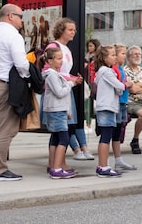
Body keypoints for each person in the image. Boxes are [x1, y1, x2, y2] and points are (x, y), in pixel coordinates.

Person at [0, 4, 30, 181]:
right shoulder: (13, 36)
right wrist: (29, 75)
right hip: (3, 86)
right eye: (20, 16)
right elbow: (21, 64)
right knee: (6, 129)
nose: (22, 20)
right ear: (10, 16)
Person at [45, 18, 93, 162]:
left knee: (61, 131)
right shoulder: (53, 46)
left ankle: (57, 163)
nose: (74, 32)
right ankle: (57, 164)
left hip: (65, 88)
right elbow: (50, 70)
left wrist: (73, 78)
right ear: (61, 30)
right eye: (70, 30)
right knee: (60, 132)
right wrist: (71, 80)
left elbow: (63, 71)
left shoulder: (66, 48)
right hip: (58, 92)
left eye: (74, 29)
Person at [41, 47, 79, 179]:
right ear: (50, 61)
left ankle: (53, 165)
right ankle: (57, 168)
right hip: (56, 110)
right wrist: (70, 84)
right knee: (64, 138)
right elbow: (60, 92)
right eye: (58, 58)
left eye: (62, 58)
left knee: (56, 138)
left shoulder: (53, 74)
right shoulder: (52, 75)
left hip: (58, 109)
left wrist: (67, 110)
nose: (61, 61)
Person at [93, 45, 126, 177]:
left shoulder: (106, 71)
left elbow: (117, 88)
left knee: (107, 136)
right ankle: (103, 166)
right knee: (105, 137)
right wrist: (126, 85)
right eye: (112, 55)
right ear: (104, 57)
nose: (114, 57)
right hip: (106, 107)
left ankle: (104, 165)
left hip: (109, 106)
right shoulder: (106, 71)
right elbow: (119, 86)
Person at [111, 43, 137, 170]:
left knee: (119, 131)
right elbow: (118, 85)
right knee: (115, 131)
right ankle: (116, 159)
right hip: (117, 102)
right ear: (115, 56)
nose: (125, 56)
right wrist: (128, 84)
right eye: (122, 53)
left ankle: (118, 158)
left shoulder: (121, 68)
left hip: (122, 101)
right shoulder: (114, 69)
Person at [83, 38, 101, 131]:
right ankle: (88, 123)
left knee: (95, 104)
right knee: (87, 104)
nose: (89, 48)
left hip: (94, 81)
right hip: (87, 81)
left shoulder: (97, 57)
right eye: (88, 46)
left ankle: (96, 125)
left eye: (91, 46)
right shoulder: (86, 57)